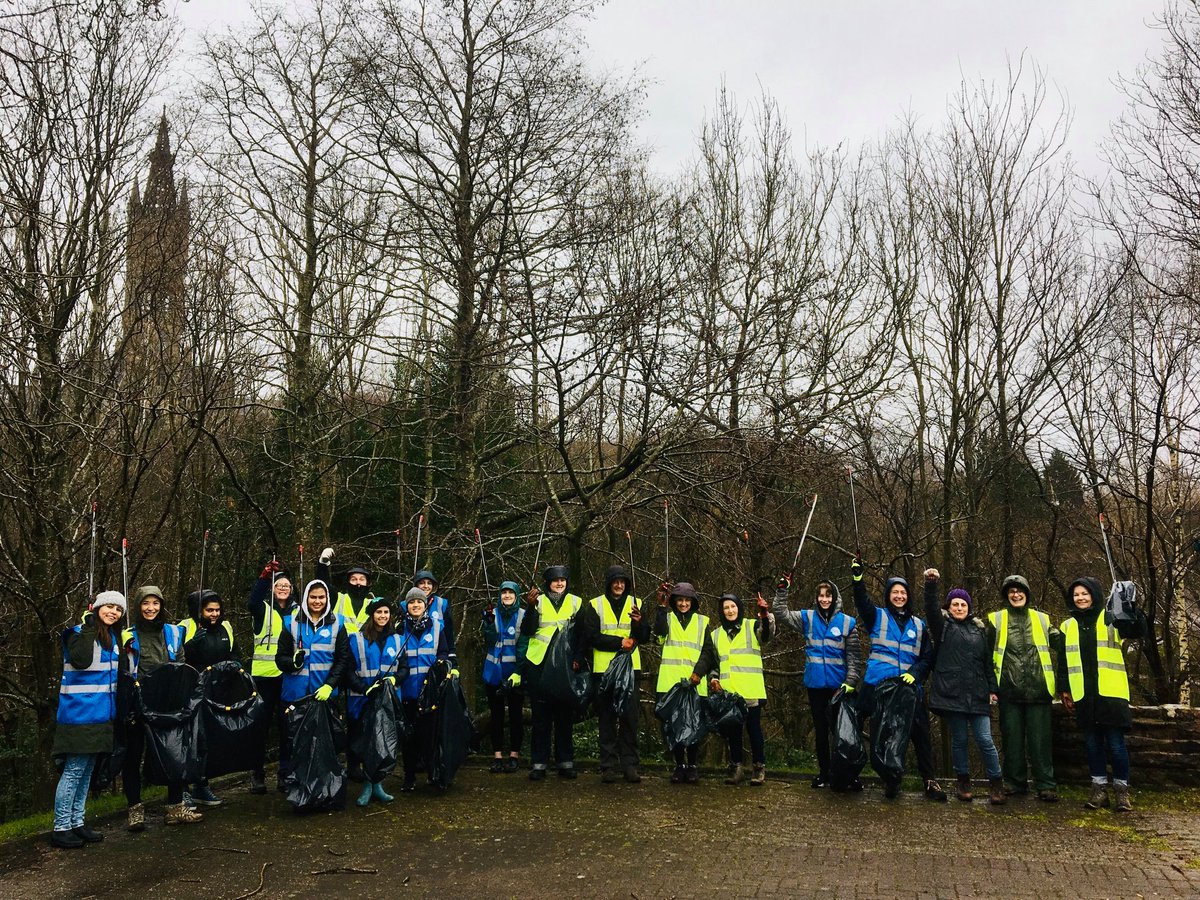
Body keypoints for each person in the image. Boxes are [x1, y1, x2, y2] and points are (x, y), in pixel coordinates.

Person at [850, 557, 942, 801]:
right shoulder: (876, 616)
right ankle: (881, 779)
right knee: (876, 732)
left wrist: (915, 673)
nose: (899, 596)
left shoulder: (919, 625)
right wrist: (858, 579)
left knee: (920, 733)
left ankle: (930, 781)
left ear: (908, 596)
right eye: (895, 592)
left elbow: (928, 657)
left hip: (909, 688)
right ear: (888, 595)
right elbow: (861, 602)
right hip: (876, 684)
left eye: (903, 592)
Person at [1055, 577, 1146, 812]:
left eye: (1085, 593)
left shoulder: (1110, 618)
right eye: (1076, 594)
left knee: (1116, 745)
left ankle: (1121, 792)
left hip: (1111, 693)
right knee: (1092, 745)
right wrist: (1064, 688)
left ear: (1094, 595)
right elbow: (1064, 662)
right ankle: (1098, 790)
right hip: (1083, 694)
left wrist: (1128, 607)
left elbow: (1136, 630)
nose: (1081, 598)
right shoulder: (1068, 626)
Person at [772, 573, 861, 788]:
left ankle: (847, 774)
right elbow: (780, 613)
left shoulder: (847, 622)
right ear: (816, 598)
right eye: (821, 596)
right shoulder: (807, 618)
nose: (824, 599)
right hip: (815, 686)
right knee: (821, 732)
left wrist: (851, 680)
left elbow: (854, 657)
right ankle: (825, 773)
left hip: (839, 688)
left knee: (843, 734)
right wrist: (782, 590)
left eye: (828, 596)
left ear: (835, 597)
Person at [51, 591, 125, 849]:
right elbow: (81, 661)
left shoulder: (112, 640)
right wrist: (89, 627)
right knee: (73, 771)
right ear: (96, 608)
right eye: (108, 607)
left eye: (118, 609)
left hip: (102, 717)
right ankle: (61, 827)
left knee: (86, 771)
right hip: (78, 715)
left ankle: (77, 823)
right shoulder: (79, 633)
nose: (113, 612)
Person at [923, 572, 1004, 804]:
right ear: (948, 607)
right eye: (955, 604)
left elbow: (988, 663)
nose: (959, 608)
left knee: (985, 740)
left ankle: (996, 783)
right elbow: (930, 608)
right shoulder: (943, 627)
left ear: (969, 607)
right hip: (952, 693)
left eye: (963, 604)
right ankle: (963, 781)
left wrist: (993, 689)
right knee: (959, 740)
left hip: (978, 694)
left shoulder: (980, 630)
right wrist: (931, 585)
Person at [119, 586, 196, 830]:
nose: (150, 608)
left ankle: (175, 807)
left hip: (167, 703)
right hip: (137, 702)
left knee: (173, 754)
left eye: (155, 603)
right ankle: (135, 810)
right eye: (145, 603)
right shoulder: (127, 635)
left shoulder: (173, 632)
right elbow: (122, 670)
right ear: (138, 606)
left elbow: (181, 664)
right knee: (133, 755)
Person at [986, 574, 1060, 801]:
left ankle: (1046, 785)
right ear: (1006, 596)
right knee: (1012, 741)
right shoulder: (995, 620)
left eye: (1020, 591)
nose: (1016, 594)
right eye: (1011, 591)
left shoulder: (1042, 619)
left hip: (1039, 689)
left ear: (1027, 594)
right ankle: (1014, 782)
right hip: (1008, 690)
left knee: (1040, 742)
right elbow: (985, 655)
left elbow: (1063, 642)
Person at [577, 565, 650, 783]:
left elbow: (644, 636)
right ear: (609, 583)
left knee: (629, 718)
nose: (619, 585)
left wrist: (639, 623)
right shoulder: (595, 604)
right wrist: (619, 642)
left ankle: (629, 765)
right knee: (606, 718)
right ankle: (607, 766)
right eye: (615, 581)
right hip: (604, 671)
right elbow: (591, 636)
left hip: (630, 670)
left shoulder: (636, 604)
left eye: (622, 582)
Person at [275, 579, 353, 784]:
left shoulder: (338, 624)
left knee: (324, 740)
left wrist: (330, 685)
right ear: (306, 598)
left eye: (321, 597)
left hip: (324, 693)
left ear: (327, 598)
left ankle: (323, 777)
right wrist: (292, 662)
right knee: (291, 739)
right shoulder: (291, 622)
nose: (317, 601)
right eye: (313, 597)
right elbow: (280, 658)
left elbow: (343, 659)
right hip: (295, 694)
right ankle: (287, 776)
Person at [696, 591, 774, 786]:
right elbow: (714, 664)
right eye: (726, 608)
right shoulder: (715, 635)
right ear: (721, 612)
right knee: (733, 733)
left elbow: (766, 635)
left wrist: (765, 615)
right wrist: (713, 680)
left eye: (733, 606)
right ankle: (736, 769)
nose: (730, 611)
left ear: (739, 607)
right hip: (729, 694)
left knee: (754, 731)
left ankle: (759, 769)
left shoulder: (751, 626)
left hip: (750, 690)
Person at [520, 565, 584, 781]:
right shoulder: (537, 600)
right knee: (541, 716)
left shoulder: (576, 602)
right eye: (555, 580)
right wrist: (529, 608)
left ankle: (565, 762)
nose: (559, 583)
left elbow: (582, 634)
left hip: (565, 666)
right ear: (548, 583)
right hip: (539, 663)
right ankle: (539, 763)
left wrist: (577, 658)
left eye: (562, 580)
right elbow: (528, 631)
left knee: (565, 716)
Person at [346, 598, 405, 806]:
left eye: (386, 612)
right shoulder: (357, 639)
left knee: (383, 744)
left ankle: (377, 784)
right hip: (362, 700)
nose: (383, 616)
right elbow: (348, 671)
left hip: (387, 702)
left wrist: (395, 679)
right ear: (372, 615)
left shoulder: (398, 640)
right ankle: (367, 786)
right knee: (364, 743)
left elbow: (404, 668)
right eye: (379, 612)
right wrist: (364, 688)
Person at [245, 558, 297, 792]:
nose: (283, 588)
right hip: (264, 677)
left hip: (289, 676)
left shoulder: (299, 612)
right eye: (279, 585)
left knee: (288, 726)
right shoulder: (262, 610)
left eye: (287, 585)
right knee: (260, 727)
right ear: (273, 589)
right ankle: (257, 773)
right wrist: (265, 578)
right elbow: (253, 601)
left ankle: (285, 773)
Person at [652, 581, 712, 784]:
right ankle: (679, 766)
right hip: (671, 683)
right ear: (674, 602)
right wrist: (660, 607)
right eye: (680, 600)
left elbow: (708, 651)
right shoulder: (667, 619)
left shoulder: (703, 622)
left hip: (695, 683)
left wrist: (699, 673)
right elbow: (658, 634)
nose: (683, 604)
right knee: (674, 726)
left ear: (693, 602)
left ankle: (693, 766)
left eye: (687, 600)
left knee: (694, 726)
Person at [396, 586, 451, 791]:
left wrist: (441, 665)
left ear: (425, 604)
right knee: (409, 738)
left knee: (431, 737)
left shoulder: (437, 626)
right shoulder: (400, 628)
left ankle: (433, 775)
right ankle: (408, 778)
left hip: (430, 694)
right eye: (411, 602)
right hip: (408, 691)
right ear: (407, 606)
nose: (415, 605)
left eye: (419, 602)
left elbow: (444, 653)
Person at [481, 581, 528, 773]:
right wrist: (489, 625)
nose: (507, 596)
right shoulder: (491, 614)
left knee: (516, 716)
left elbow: (524, 644)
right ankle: (497, 755)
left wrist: (519, 671)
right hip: (494, 672)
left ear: (516, 595)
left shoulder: (524, 615)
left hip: (515, 674)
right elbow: (490, 641)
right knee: (496, 716)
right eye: (504, 593)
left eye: (510, 593)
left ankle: (514, 755)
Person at [317, 546, 380, 633]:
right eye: (353, 579)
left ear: (367, 583)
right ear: (348, 582)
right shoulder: (339, 599)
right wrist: (323, 565)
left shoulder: (374, 604)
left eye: (362, 579)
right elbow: (323, 586)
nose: (358, 582)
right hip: (341, 646)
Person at [414, 569, 458, 667]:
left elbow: (449, 632)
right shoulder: (406, 604)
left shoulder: (441, 604)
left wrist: (452, 656)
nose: (426, 586)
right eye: (422, 583)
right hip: (413, 659)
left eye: (429, 583)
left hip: (438, 656)